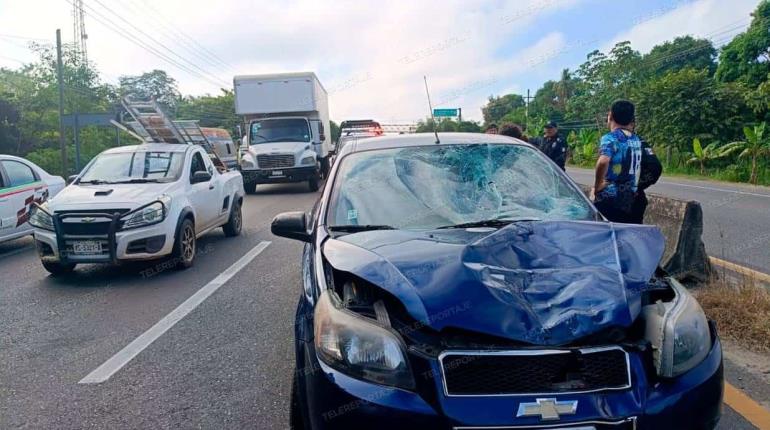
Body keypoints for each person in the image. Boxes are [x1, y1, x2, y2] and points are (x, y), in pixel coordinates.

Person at [592, 100, 643, 223]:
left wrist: (597, 185)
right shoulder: (636, 139)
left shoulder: (610, 138)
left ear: (611, 116)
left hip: (610, 196)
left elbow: (603, 161)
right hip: (629, 197)